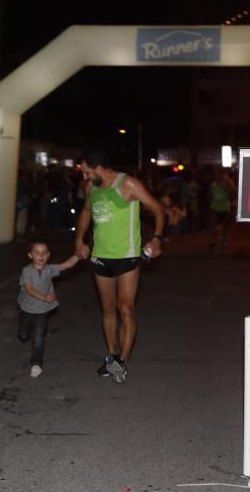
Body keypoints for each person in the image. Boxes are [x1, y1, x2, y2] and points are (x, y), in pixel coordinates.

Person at [74, 148, 165, 384]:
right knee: (107, 309)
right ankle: (112, 357)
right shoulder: (91, 187)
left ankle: (122, 362)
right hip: (100, 257)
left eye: (86, 171)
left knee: (126, 309)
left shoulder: (128, 184)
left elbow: (157, 208)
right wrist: (79, 239)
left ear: (98, 168)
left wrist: (156, 238)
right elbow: (86, 211)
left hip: (127, 257)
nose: (84, 176)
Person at [17, 241, 82, 377]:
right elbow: (29, 289)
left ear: (48, 255)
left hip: (42, 310)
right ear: (30, 255)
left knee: (38, 337)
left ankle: (36, 364)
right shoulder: (27, 271)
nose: (41, 256)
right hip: (27, 309)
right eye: (37, 253)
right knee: (23, 335)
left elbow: (67, 264)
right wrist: (45, 297)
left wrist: (78, 255)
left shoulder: (49, 269)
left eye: (44, 253)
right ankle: (25, 333)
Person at [208, 167, 236, 250]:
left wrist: (226, 185)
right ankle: (213, 240)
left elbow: (233, 194)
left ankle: (224, 241)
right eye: (220, 174)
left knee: (225, 225)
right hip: (215, 206)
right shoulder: (214, 184)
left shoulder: (229, 183)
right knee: (213, 224)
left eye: (224, 174)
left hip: (224, 206)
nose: (222, 176)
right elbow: (210, 195)